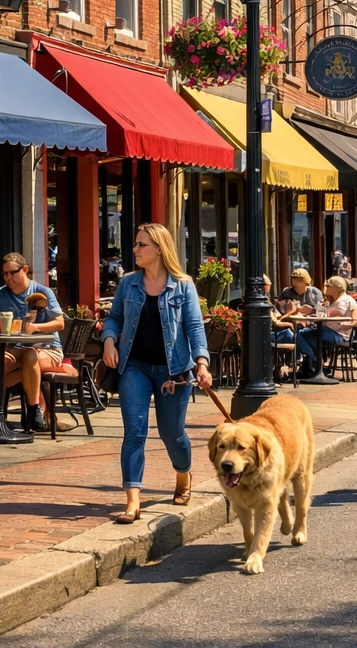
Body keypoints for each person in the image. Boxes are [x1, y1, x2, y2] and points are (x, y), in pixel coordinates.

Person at [100, 223, 211, 524]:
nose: (135, 250)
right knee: (134, 432)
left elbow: (194, 327)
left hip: (173, 371)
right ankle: (132, 500)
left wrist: (201, 362)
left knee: (171, 433)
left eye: (141, 245)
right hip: (133, 366)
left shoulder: (183, 284)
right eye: (135, 244)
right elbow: (114, 319)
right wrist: (109, 341)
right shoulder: (128, 283)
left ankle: (183, 472)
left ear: (159, 249)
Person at [0, 252, 74, 433]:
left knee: (29, 356)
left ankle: (34, 410)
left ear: (25, 269)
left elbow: (60, 323)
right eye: (5, 274)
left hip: (47, 348)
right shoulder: (0, 295)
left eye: (13, 272)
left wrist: (35, 328)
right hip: (13, 348)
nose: (9, 278)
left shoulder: (42, 292)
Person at [271, 273, 321, 379]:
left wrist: (311, 310)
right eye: (293, 279)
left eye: (298, 280)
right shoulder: (287, 292)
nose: (294, 282)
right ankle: (310, 360)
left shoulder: (314, 292)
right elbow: (281, 312)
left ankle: (311, 361)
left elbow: (321, 308)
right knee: (298, 331)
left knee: (311, 333)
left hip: (313, 322)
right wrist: (294, 311)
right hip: (293, 323)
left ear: (305, 281)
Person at [320, 275, 357, 361]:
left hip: (340, 335)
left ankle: (315, 364)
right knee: (303, 334)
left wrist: (344, 325)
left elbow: (355, 321)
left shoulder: (349, 300)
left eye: (328, 286)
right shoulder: (330, 301)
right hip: (326, 330)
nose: (326, 288)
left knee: (311, 337)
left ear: (337, 288)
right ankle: (313, 363)